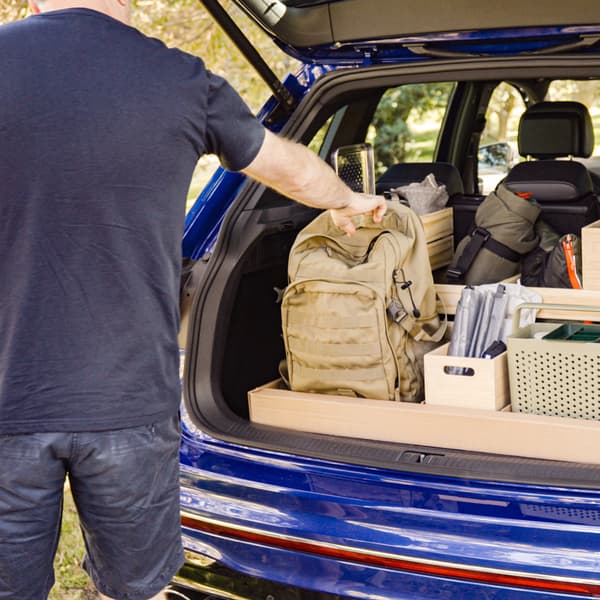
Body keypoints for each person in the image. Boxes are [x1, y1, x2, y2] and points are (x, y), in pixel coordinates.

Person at [0, 1, 386, 599]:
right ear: (125, 2)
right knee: (138, 588)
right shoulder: (178, 77)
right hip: (128, 399)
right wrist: (347, 201)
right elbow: (291, 171)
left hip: (7, 398)